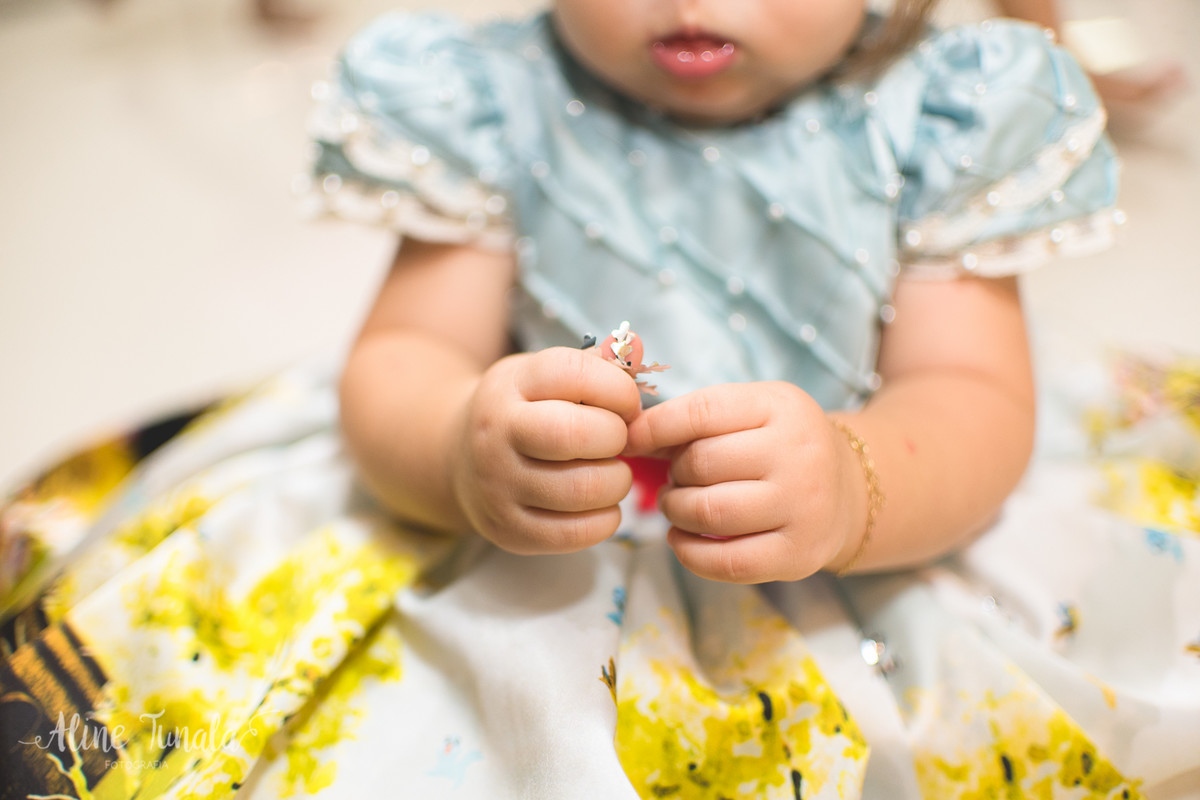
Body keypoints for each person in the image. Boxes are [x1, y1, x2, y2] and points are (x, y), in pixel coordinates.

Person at [2, 0, 1197, 798]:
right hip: (540, 539)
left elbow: (972, 393)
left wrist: (861, 480)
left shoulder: (947, 113)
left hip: (873, 539)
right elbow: (408, 351)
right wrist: (459, 447)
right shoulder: (493, 96)